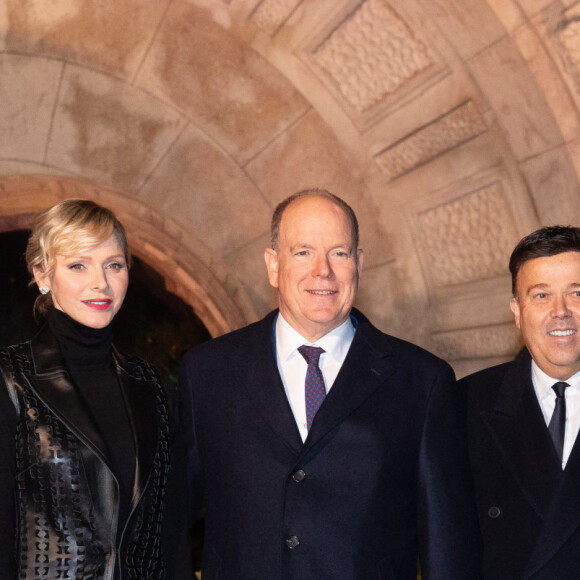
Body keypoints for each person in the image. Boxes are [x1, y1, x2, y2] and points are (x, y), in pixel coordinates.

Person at [180, 189, 481, 579]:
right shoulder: (207, 373)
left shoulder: (422, 381)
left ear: (358, 264)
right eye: (303, 252)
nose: (322, 270)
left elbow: (446, 545)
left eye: (338, 253)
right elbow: (169, 522)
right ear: (273, 265)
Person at [0, 199, 189, 579]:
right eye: (78, 265)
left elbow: (170, 533)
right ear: (42, 274)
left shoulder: (153, 388)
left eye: (113, 265)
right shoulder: (9, 380)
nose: (100, 282)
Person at [461, 225, 580, 579]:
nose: (561, 311)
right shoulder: (462, 406)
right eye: (541, 296)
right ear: (516, 310)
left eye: (577, 293)